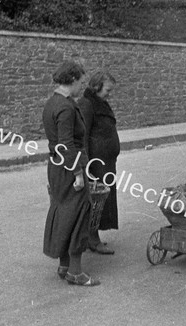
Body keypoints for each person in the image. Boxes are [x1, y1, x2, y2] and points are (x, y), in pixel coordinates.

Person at [42, 61, 100, 286]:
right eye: (81, 81)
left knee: (63, 213)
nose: (81, 86)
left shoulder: (52, 103)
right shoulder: (66, 107)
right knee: (77, 215)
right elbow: (66, 144)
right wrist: (77, 173)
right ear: (72, 80)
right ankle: (75, 272)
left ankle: (64, 266)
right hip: (70, 168)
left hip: (57, 168)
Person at [78, 71, 119, 254]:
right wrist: (86, 165)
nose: (109, 94)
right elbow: (83, 136)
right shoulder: (87, 105)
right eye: (107, 90)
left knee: (103, 200)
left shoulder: (98, 103)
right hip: (96, 162)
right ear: (97, 86)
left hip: (106, 160)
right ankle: (92, 240)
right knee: (97, 200)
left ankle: (93, 237)